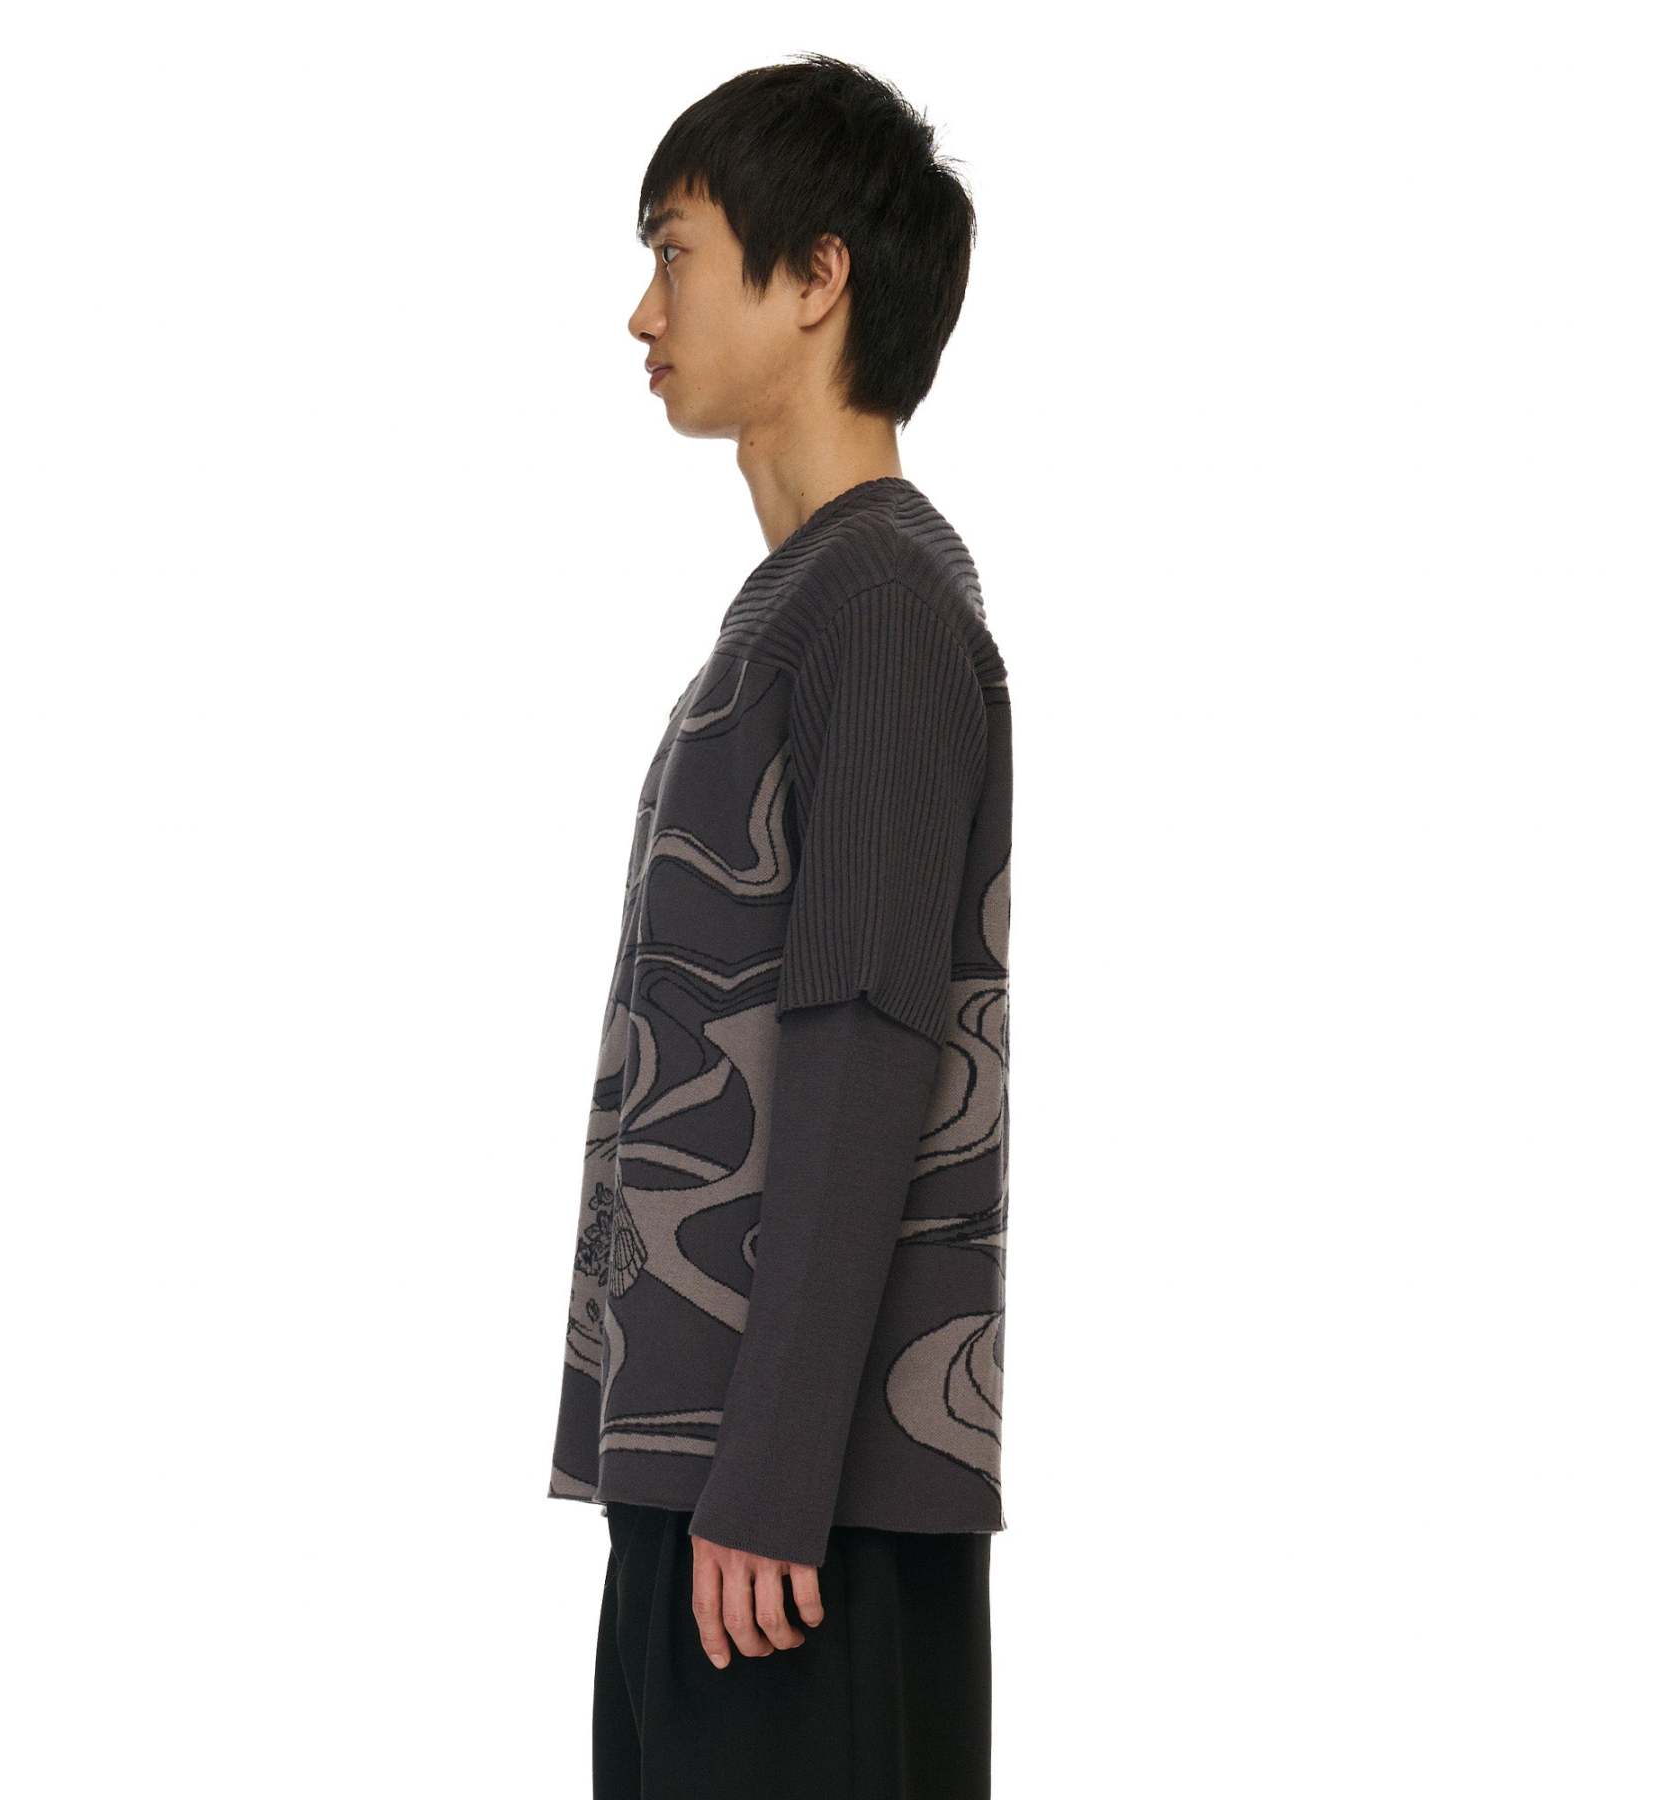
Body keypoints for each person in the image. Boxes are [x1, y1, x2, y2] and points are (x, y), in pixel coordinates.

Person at [546, 53, 1013, 1799]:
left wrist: (768, 1478)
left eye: (674, 252)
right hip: (734, 1487)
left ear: (817, 277)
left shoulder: (878, 602)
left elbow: (864, 1040)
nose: (642, 311)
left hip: (793, 1522)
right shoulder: (803, 605)